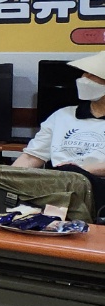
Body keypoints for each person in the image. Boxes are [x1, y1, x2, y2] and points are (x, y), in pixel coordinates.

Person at [13, 50, 105, 212]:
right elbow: (31, 157)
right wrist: (8, 177)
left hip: (96, 189)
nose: (83, 78)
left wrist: (77, 171)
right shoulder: (62, 115)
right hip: (55, 186)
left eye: (92, 75)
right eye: (84, 73)